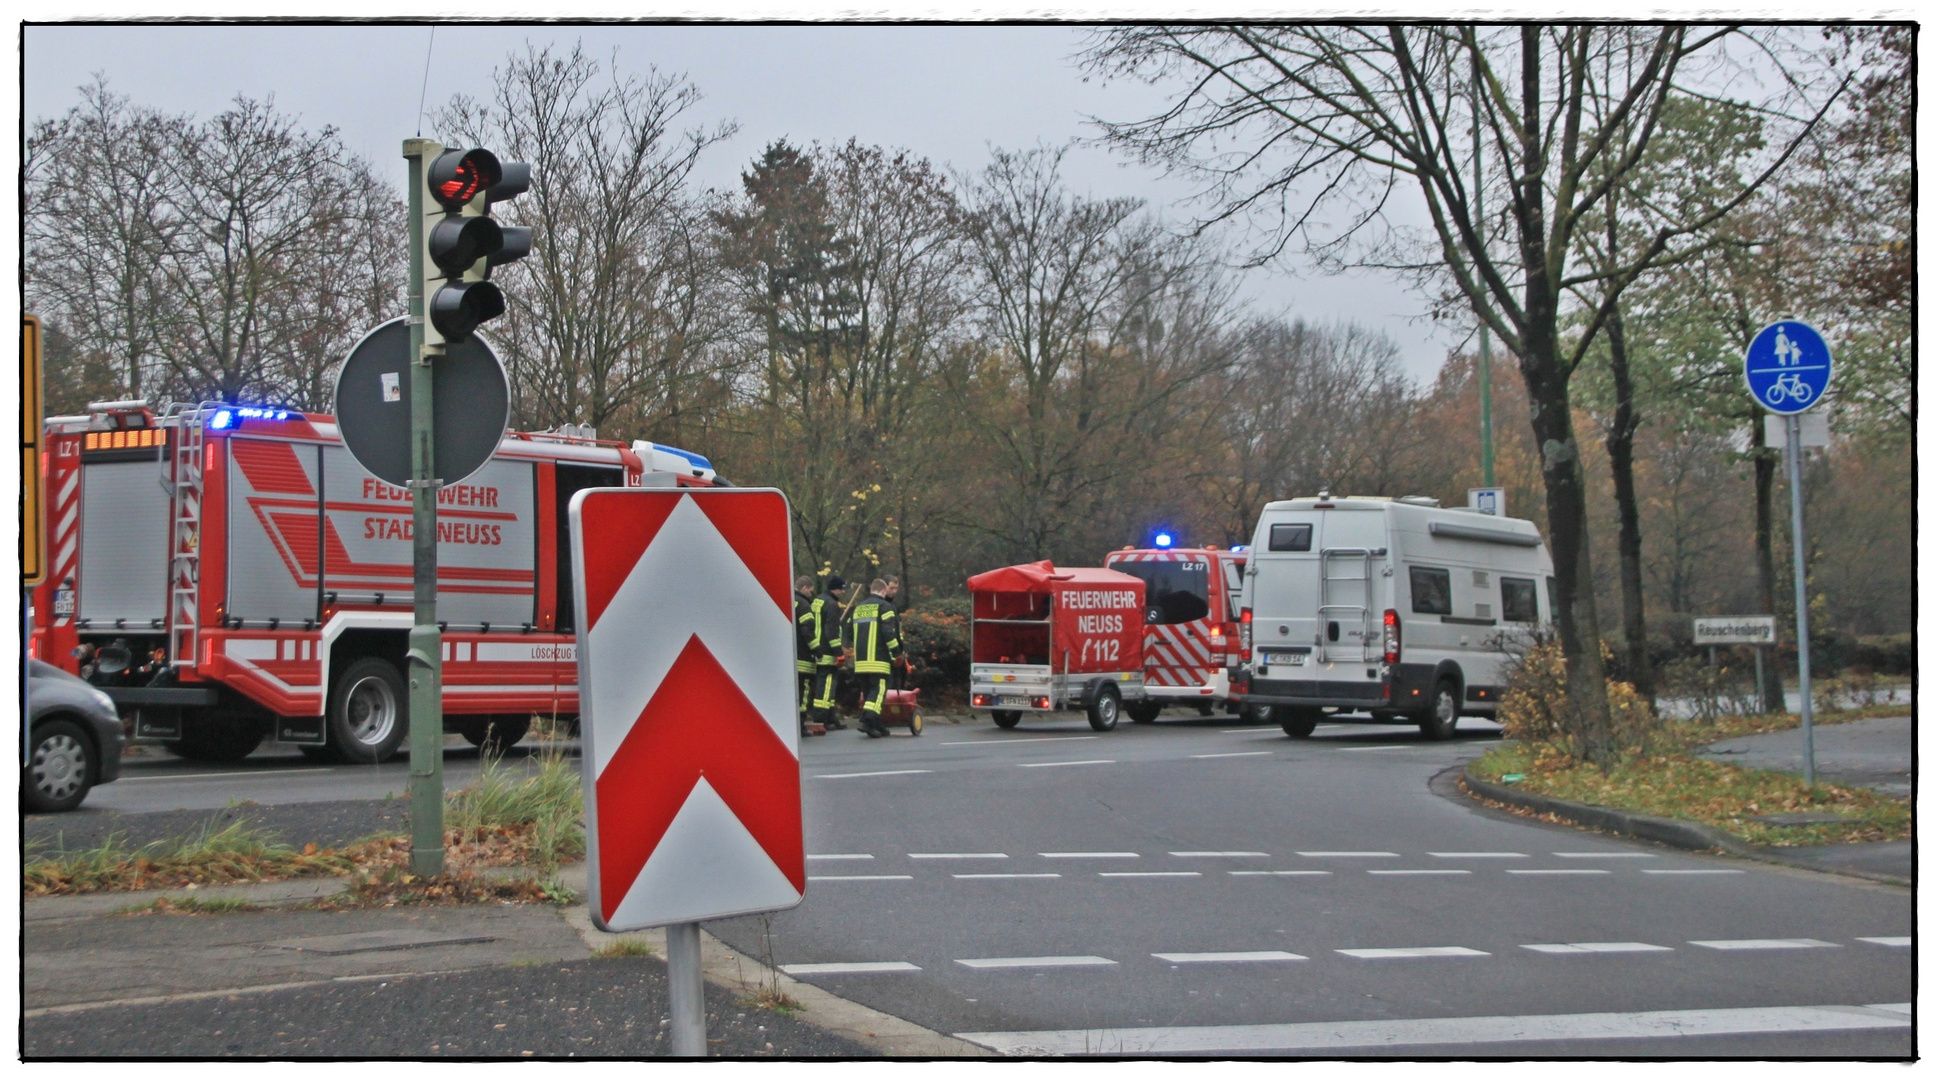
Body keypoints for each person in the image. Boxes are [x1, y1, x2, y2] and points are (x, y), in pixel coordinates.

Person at [844, 579, 903, 738]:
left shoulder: (858, 608)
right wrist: (896, 652)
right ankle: (867, 719)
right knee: (878, 691)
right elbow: (889, 634)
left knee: (869, 692)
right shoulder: (885, 607)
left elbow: (848, 633)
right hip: (879, 660)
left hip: (861, 661)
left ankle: (876, 724)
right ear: (883, 591)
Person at [807, 575, 847, 731]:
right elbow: (831, 631)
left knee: (825, 685)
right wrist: (839, 653)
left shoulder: (817, 600)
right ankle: (822, 718)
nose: (843, 593)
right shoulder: (831, 604)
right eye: (842, 589)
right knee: (826, 686)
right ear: (835, 588)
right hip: (827, 652)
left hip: (816, 649)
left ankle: (830, 717)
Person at [792, 575, 820, 735]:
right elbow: (807, 631)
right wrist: (817, 650)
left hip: (788, 656)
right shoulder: (803, 605)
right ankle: (800, 724)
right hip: (802, 657)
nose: (810, 595)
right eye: (810, 591)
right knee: (803, 692)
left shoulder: (788, 600)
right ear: (804, 588)